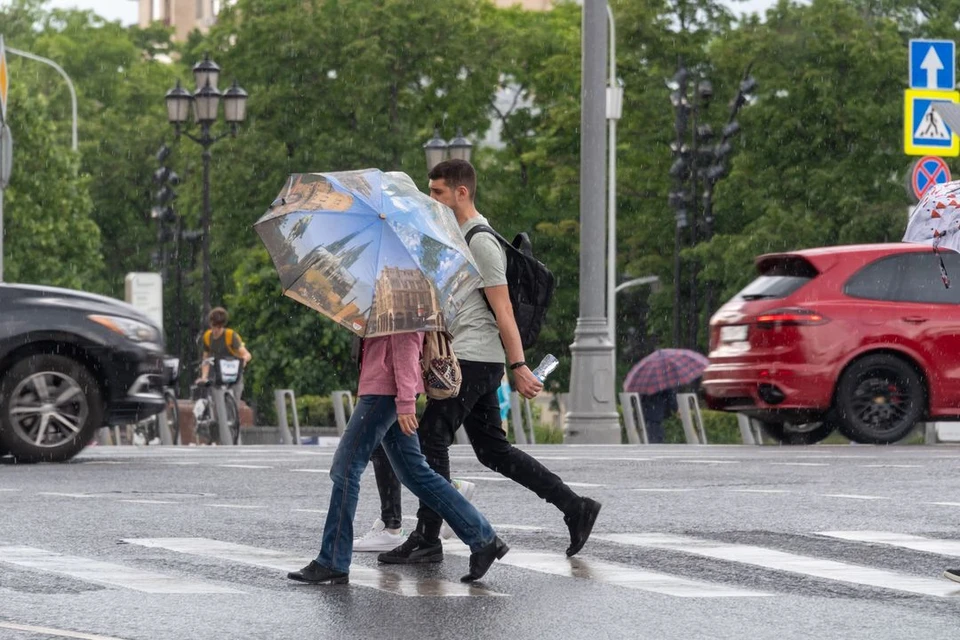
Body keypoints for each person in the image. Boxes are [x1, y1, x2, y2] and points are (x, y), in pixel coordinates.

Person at [377, 159, 601, 567]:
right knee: (492, 450)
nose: (433, 199)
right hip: (472, 355)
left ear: (461, 192)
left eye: (438, 192)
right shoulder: (457, 235)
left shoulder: (480, 241)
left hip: (475, 358)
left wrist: (519, 367)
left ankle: (428, 536)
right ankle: (575, 506)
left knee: (430, 441)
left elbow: (504, 311)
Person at [288, 331, 508, 585]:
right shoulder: (383, 295)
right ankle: (484, 540)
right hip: (386, 386)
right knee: (415, 473)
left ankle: (332, 560)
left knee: (345, 468)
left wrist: (405, 402)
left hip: (386, 390)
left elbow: (407, 340)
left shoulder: (398, 293)